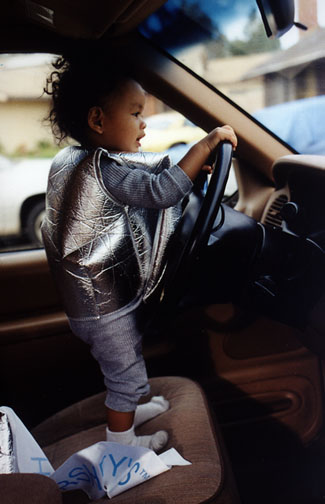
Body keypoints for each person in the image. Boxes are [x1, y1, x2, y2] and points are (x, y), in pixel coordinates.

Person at [42, 52, 237, 453]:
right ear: (98, 120)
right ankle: (122, 448)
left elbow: (146, 170)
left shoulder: (74, 160)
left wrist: (189, 167)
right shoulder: (106, 170)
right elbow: (161, 191)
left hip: (90, 306)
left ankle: (132, 410)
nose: (144, 123)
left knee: (125, 369)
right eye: (135, 113)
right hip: (104, 309)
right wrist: (207, 143)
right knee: (124, 377)